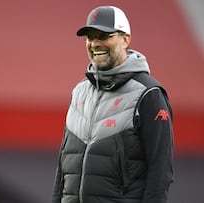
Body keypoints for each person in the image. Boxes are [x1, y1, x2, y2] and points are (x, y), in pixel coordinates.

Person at [52, 5, 174, 203]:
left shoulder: (149, 93)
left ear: (126, 39)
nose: (95, 43)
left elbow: (161, 172)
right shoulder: (78, 92)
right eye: (90, 37)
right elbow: (63, 169)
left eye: (104, 35)